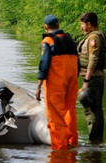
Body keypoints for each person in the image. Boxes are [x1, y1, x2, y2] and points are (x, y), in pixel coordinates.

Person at [35, 14, 79, 150]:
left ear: (45, 26)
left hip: (56, 83)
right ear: (59, 26)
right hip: (72, 81)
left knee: (55, 115)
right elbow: (78, 63)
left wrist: (38, 87)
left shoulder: (48, 41)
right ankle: (72, 143)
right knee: (69, 111)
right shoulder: (70, 40)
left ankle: (60, 149)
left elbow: (44, 65)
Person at [77, 12, 106, 141]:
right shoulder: (97, 35)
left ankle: (94, 143)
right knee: (97, 110)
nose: (81, 27)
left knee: (91, 112)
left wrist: (86, 81)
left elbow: (93, 60)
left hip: (93, 78)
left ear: (89, 24)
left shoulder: (93, 38)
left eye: (83, 24)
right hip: (96, 78)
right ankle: (97, 143)